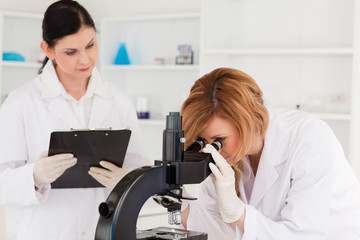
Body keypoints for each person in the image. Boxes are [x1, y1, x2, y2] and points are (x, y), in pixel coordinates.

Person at [0, 1, 149, 239]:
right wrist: (34, 177)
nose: (85, 59)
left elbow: (140, 170)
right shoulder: (20, 104)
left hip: (98, 230)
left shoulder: (118, 101)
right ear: (48, 50)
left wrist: (127, 180)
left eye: (90, 45)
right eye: (71, 52)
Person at [180, 67, 360, 239]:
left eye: (219, 141)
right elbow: (213, 230)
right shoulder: (227, 157)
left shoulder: (309, 140)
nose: (211, 151)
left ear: (246, 123)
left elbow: (303, 235)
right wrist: (183, 205)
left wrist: (239, 214)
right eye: (203, 142)